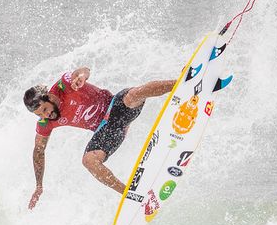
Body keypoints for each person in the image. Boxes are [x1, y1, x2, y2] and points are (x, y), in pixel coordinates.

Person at [23, 66, 174, 209]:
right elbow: (38, 151)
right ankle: (132, 196)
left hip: (116, 106)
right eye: (39, 114)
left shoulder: (64, 85)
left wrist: (82, 76)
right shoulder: (46, 123)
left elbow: (82, 71)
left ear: (48, 96)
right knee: (88, 161)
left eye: (44, 109)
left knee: (134, 94)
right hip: (107, 130)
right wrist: (39, 186)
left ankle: (180, 82)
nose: (45, 115)